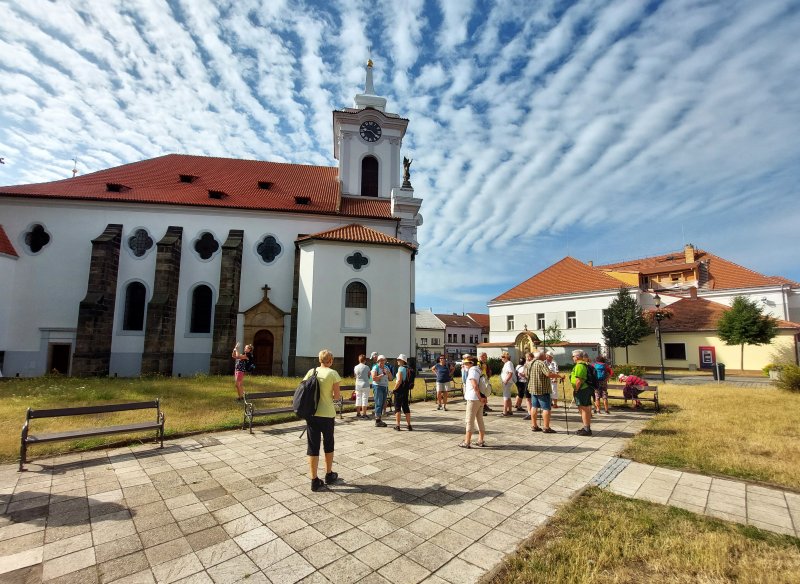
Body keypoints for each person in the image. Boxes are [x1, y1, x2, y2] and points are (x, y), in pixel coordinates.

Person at [303, 349, 341, 492]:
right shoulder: (333, 373)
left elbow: (304, 388)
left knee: (313, 446)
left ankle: (314, 480)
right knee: (328, 443)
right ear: (330, 361)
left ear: (319, 360)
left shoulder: (311, 372)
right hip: (327, 414)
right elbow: (337, 397)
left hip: (312, 414)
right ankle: (329, 474)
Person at [528, 350, 563, 433]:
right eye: (544, 355)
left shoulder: (530, 363)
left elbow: (526, 374)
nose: (545, 356)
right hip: (542, 389)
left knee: (534, 407)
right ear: (541, 356)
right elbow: (548, 374)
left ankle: (534, 425)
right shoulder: (541, 363)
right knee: (546, 408)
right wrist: (559, 376)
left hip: (533, 388)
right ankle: (546, 427)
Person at [459, 355, 486, 448]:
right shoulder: (478, 370)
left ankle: (467, 442)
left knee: (469, 420)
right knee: (479, 420)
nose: (465, 364)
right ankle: (481, 440)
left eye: (466, 363)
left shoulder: (472, 370)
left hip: (474, 399)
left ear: (471, 363)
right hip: (478, 399)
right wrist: (482, 398)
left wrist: (480, 397)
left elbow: (475, 386)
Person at [570, 350, 595, 436]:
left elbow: (579, 380)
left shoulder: (579, 366)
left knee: (583, 409)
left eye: (572, 357)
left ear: (576, 357)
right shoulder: (584, 364)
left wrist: (576, 389)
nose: (572, 358)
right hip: (585, 388)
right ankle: (586, 427)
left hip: (582, 389)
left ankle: (587, 429)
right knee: (586, 408)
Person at [371, 355, 393, 427]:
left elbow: (391, 378)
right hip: (378, 387)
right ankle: (377, 420)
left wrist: (388, 373)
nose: (382, 362)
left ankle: (379, 419)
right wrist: (382, 374)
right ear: (378, 361)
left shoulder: (386, 367)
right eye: (380, 360)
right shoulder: (375, 367)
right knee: (378, 402)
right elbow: (374, 378)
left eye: (383, 360)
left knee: (383, 403)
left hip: (384, 386)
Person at [393, 354, 413, 431]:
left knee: (397, 407)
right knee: (406, 407)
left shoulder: (401, 369)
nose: (397, 361)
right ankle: (409, 425)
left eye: (399, 360)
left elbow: (399, 381)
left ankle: (397, 425)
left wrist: (394, 389)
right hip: (406, 390)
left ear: (402, 361)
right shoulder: (408, 368)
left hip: (399, 390)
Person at [353, 354, 371, 419]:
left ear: (359, 360)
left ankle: (358, 413)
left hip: (358, 385)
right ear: (365, 360)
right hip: (365, 384)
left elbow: (355, 376)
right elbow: (369, 376)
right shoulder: (367, 367)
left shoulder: (355, 367)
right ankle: (364, 414)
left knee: (358, 398)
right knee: (364, 399)